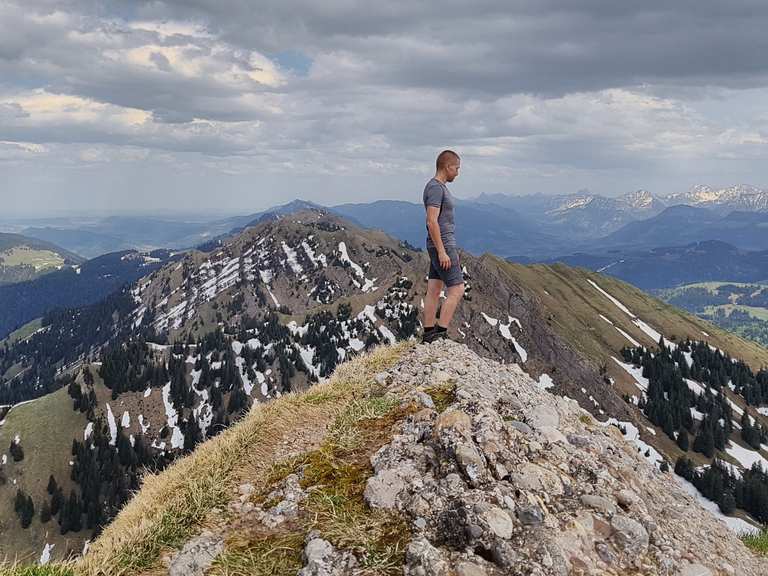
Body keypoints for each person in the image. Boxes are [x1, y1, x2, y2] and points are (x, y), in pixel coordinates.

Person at [422, 150, 465, 343]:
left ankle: (429, 334)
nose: (457, 172)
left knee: (434, 289)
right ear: (447, 167)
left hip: (437, 244)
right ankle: (440, 334)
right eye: (456, 168)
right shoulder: (436, 188)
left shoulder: (435, 187)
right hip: (443, 244)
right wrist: (442, 251)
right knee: (457, 289)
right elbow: (432, 221)